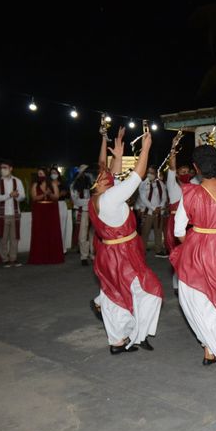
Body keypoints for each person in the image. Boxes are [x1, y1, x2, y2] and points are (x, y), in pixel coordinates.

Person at [170, 111, 216, 365]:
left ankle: (209, 348)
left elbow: (179, 231)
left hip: (196, 248)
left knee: (198, 298)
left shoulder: (188, 192)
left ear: (196, 168)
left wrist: (194, 245)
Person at [90, 125, 163, 355]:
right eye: (104, 176)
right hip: (122, 256)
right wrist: (146, 149)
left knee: (115, 295)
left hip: (109, 255)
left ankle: (117, 341)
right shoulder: (111, 198)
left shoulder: (97, 198)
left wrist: (118, 156)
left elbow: (108, 171)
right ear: (98, 183)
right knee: (151, 290)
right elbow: (137, 176)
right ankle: (139, 335)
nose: (108, 173)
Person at [164, 134, 192, 295]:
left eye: (187, 171)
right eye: (182, 171)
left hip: (190, 223)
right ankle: (177, 284)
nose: (185, 173)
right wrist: (173, 148)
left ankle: (188, 282)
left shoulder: (194, 185)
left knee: (189, 254)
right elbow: (172, 166)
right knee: (177, 253)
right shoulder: (172, 185)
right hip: (174, 223)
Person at [0, 160, 25, 267]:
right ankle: (5, 259)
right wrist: (10, 195)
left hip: (15, 213)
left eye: (5, 167)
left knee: (14, 237)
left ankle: (13, 259)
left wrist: (17, 196)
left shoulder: (17, 181)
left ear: (11, 168)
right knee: (3, 237)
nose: (2, 170)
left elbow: (23, 196)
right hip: (3, 213)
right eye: (1, 168)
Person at [28, 167, 64, 264]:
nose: (40, 175)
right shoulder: (35, 184)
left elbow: (56, 197)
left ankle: (52, 256)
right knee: (40, 232)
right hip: (39, 211)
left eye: (42, 173)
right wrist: (44, 194)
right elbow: (34, 198)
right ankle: (40, 257)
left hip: (51, 211)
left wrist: (50, 194)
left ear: (46, 174)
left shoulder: (53, 184)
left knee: (51, 232)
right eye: (39, 174)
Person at [137, 165, 167, 257]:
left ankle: (158, 250)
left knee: (158, 231)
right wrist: (154, 208)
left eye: (153, 172)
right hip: (148, 211)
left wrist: (160, 207)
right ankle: (142, 250)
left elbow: (164, 197)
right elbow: (143, 198)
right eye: (149, 172)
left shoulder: (160, 183)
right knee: (145, 232)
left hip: (158, 212)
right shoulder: (142, 184)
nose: (151, 174)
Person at [71, 164, 94, 266]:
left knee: (92, 234)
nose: (86, 175)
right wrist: (89, 201)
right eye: (84, 172)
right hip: (82, 212)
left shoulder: (90, 185)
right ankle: (84, 256)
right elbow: (76, 201)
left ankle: (92, 253)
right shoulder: (74, 185)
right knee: (82, 235)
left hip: (91, 212)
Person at [50, 166, 70, 253]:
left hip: (61, 205)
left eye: (55, 173)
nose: (53, 174)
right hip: (51, 205)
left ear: (58, 174)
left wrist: (60, 194)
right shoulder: (48, 184)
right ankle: (53, 247)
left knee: (63, 227)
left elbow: (66, 194)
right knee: (52, 227)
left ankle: (62, 248)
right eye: (52, 173)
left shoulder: (63, 183)